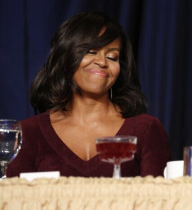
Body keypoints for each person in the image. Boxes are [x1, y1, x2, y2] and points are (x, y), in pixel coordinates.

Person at [6, 12, 171, 177]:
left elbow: (159, 200)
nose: (102, 62)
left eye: (112, 57)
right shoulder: (28, 133)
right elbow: (15, 200)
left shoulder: (146, 129)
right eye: (91, 52)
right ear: (65, 57)